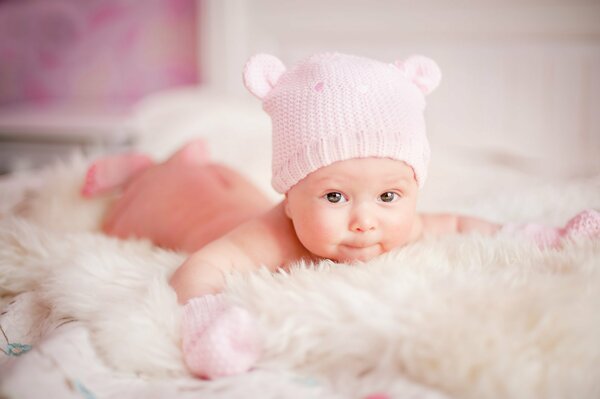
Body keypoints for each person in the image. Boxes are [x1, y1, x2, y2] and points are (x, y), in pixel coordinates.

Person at [83, 52, 600, 379]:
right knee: (142, 201)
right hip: (175, 199)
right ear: (289, 197)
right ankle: (142, 169)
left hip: (229, 191)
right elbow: (198, 270)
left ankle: (195, 160)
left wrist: (541, 234)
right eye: (334, 197)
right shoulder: (270, 235)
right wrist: (205, 319)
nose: (364, 221)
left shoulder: (394, 225)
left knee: (223, 178)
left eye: (389, 197)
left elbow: (462, 225)